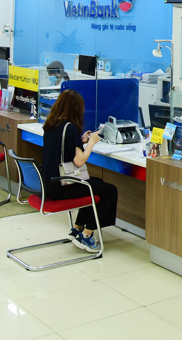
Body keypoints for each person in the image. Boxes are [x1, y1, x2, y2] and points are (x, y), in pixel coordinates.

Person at [42, 89, 118, 253]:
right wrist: (91, 142)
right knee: (110, 191)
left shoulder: (51, 124)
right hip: (61, 186)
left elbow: (62, 149)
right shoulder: (70, 127)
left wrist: (80, 141)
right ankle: (86, 234)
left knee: (97, 183)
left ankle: (77, 228)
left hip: (49, 184)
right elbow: (79, 161)